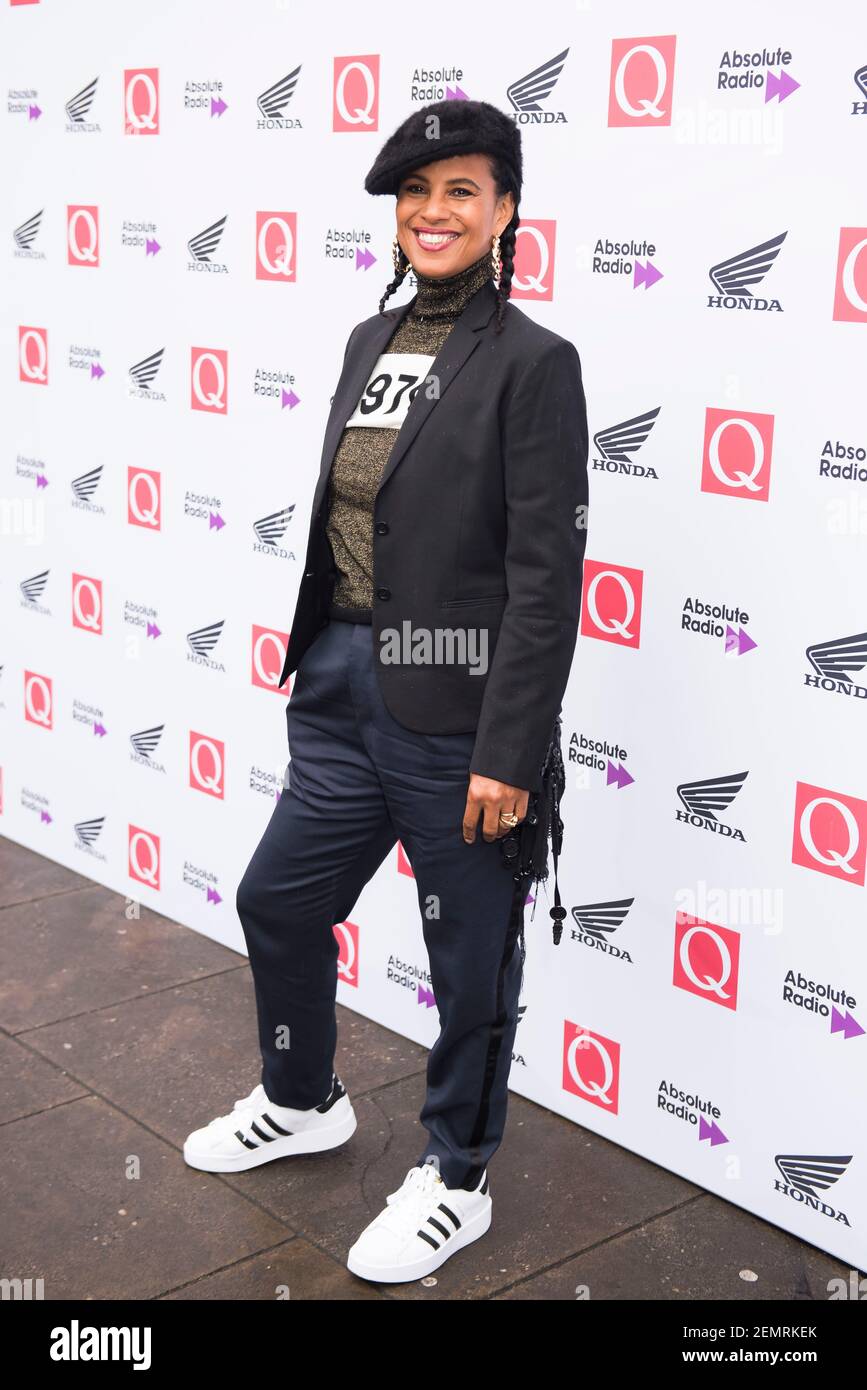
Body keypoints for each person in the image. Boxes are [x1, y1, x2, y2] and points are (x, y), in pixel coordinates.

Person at [183, 99, 589, 1285]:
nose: (434, 212)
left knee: (469, 956)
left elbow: (543, 578)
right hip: (343, 683)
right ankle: (303, 1096)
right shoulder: (370, 342)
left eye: (462, 191)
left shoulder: (534, 365)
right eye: (417, 194)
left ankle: (456, 1174)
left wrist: (511, 750)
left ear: (506, 209)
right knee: (279, 898)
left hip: (457, 712)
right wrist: (321, 657)